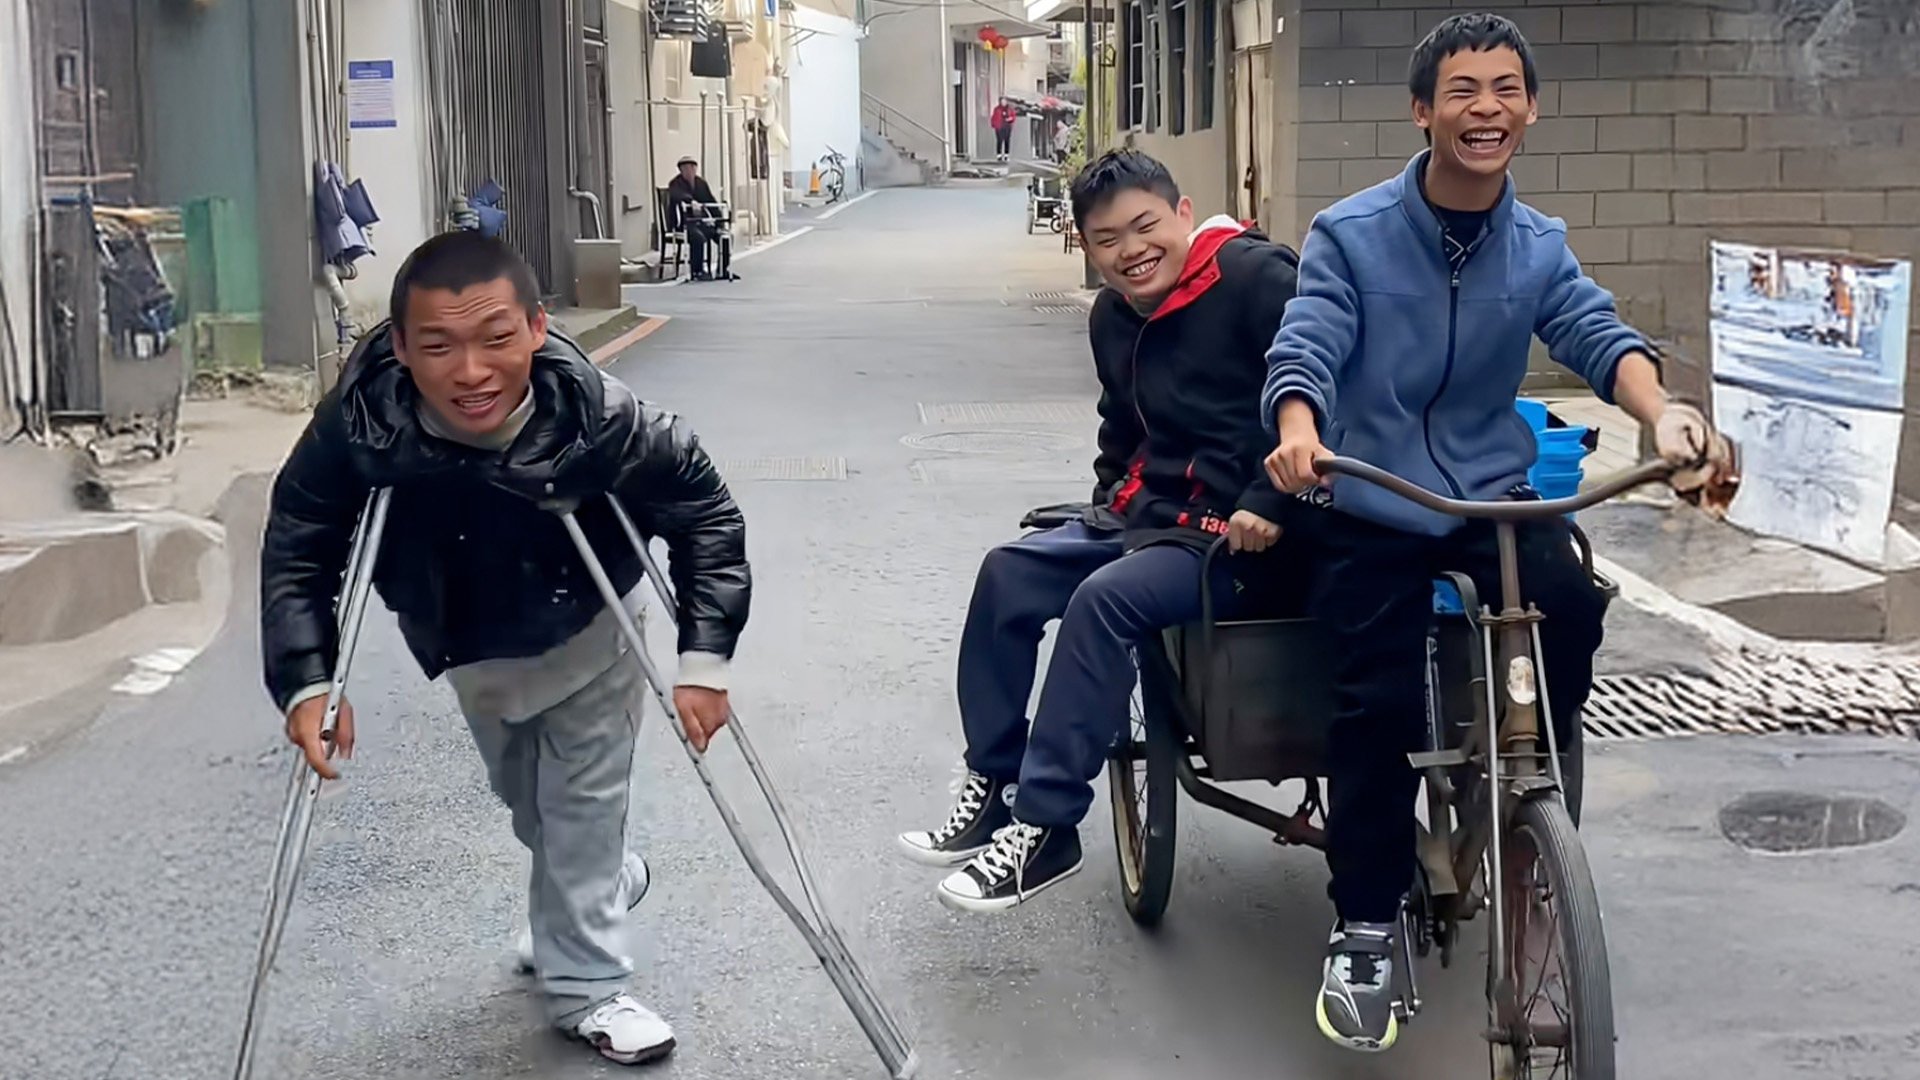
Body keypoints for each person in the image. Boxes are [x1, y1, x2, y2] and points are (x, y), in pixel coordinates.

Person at [1260, 14, 1734, 1054]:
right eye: (1464, 91)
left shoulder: (1537, 243)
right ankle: (1368, 924)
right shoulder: (1352, 232)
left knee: (1568, 604)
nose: (1488, 110)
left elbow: (1597, 333)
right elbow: (1309, 346)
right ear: (1423, 110)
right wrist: (1298, 432)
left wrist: (1665, 416)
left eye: (1506, 90)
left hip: (1491, 500)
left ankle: (1531, 800)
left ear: (1529, 107)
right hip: (1372, 495)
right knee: (1374, 698)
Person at [260, 230, 752, 1066]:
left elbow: (705, 513)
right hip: (470, 649)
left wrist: (703, 662)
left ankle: (589, 986)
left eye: (495, 340)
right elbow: (301, 539)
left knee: (579, 811)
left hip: (595, 631)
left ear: (535, 327)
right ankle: (599, 883)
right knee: (530, 805)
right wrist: (308, 682)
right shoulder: (361, 424)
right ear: (401, 347)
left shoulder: (598, 413)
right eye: (439, 347)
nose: (471, 372)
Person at [896, 150, 1304, 913]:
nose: (1132, 250)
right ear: (1086, 246)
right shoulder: (1114, 315)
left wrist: (1269, 502)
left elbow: (1317, 390)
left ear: (1184, 215)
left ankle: (1047, 826)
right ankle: (995, 777)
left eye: (1146, 226)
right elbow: (1121, 419)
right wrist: (1111, 492)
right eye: (1107, 238)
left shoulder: (1257, 280)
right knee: (1008, 571)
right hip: (1152, 520)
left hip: (1247, 537)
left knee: (1106, 603)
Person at [666, 155, 736, 282]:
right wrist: (690, 201)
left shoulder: (700, 183)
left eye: (692, 167)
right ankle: (697, 271)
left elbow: (710, 200)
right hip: (684, 223)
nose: (690, 171)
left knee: (724, 237)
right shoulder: (675, 183)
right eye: (686, 168)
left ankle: (722, 270)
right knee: (698, 238)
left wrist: (719, 222)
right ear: (681, 170)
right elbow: (678, 195)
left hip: (701, 223)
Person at [990, 98, 1018, 162]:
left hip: (1007, 126)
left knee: (1007, 141)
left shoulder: (1010, 109)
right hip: (999, 127)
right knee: (999, 140)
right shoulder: (997, 109)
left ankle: (1006, 155)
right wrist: (994, 125)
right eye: (1002, 101)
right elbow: (993, 117)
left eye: (1004, 101)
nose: (1003, 103)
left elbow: (1013, 116)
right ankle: (999, 156)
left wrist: (1010, 119)